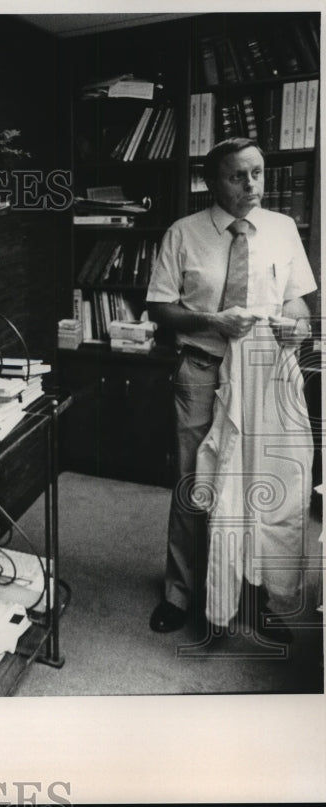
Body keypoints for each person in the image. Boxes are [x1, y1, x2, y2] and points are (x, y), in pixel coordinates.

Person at [146, 137, 316, 637]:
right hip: (202, 366)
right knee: (196, 484)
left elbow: (299, 303)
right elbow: (160, 306)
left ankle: (255, 592)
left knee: (262, 486)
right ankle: (181, 592)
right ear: (211, 182)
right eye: (238, 176)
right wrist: (212, 321)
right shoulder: (183, 233)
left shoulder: (283, 230)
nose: (251, 185)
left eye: (257, 173)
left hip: (264, 371)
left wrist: (294, 324)